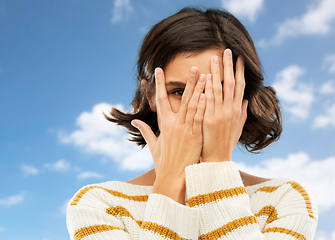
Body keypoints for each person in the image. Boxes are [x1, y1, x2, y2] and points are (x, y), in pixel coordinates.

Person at [66, 7, 318, 240]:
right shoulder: (98, 206)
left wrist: (216, 167)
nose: (197, 107)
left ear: (242, 98)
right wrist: (170, 186)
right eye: (178, 92)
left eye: (216, 92)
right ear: (150, 96)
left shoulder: (285, 200)